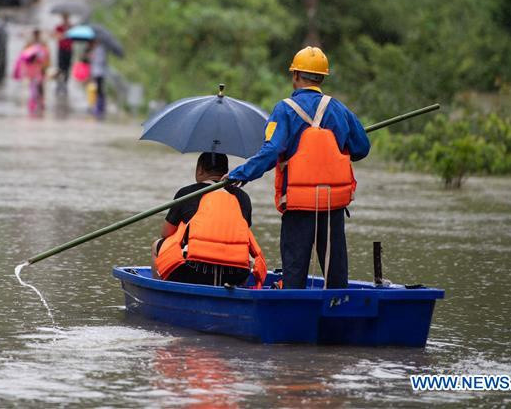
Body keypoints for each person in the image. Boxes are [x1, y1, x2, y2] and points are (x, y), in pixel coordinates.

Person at [224, 46, 370, 289]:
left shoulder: (284, 109)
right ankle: (337, 308)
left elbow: (271, 152)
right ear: (322, 77)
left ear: (295, 75)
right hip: (332, 206)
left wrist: (240, 174)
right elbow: (362, 148)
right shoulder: (339, 109)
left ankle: (293, 307)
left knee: (294, 274)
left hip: (298, 206)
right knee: (336, 277)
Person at [152, 152, 268, 288]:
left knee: (156, 245)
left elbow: (166, 233)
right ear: (226, 172)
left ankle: (161, 291)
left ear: (200, 170)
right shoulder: (243, 197)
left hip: (192, 270)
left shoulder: (186, 193)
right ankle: (235, 293)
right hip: (235, 273)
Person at [14, 29, 50, 117]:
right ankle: (35, 102)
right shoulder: (30, 44)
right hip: (33, 69)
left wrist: (45, 65)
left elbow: (47, 56)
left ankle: (40, 102)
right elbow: (24, 56)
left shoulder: (42, 44)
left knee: (40, 87)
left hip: (40, 68)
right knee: (34, 87)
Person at [54, 13, 73, 93]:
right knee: (60, 67)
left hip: (69, 50)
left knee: (67, 68)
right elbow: (56, 36)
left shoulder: (71, 27)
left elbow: (74, 37)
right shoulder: (59, 27)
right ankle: (58, 84)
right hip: (61, 49)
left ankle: (65, 84)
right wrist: (63, 35)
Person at [89, 39, 107, 118]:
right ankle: (97, 107)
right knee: (97, 90)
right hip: (96, 72)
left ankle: (100, 108)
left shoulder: (100, 50)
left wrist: (93, 57)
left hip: (99, 73)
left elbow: (101, 60)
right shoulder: (96, 49)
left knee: (99, 90)